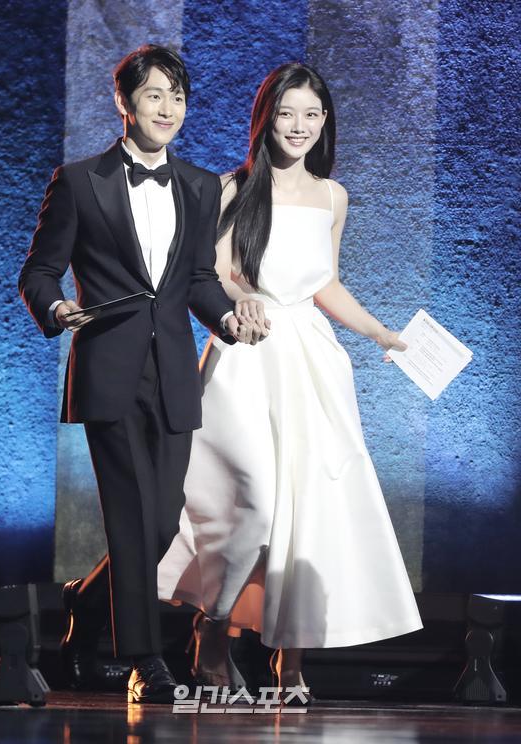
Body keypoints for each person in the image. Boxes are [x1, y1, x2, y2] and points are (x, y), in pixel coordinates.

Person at [158, 62, 423, 702]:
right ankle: (213, 629)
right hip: (247, 352)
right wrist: (236, 305)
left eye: (310, 114)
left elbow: (324, 282)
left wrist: (380, 333)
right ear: (265, 118)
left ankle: (290, 657)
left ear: (325, 121)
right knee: (250, 499)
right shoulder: (231, 188)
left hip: (312, 360)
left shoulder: (333, 197)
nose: (298, 126)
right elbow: (211, 273)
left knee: (311, 507)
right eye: (286, 113)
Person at [18, 44, 266, 704]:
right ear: (124, 103)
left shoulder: (201, 185)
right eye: (154, 95)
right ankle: (145, 658)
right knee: (131, 518)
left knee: (159, 524)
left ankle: (87, 605)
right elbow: (38, 271)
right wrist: (55, 305)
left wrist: (231, 319)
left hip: (174, 374)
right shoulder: (79, 181)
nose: (168, 108)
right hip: (109, 369)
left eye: (177, 97)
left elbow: (200, 282)